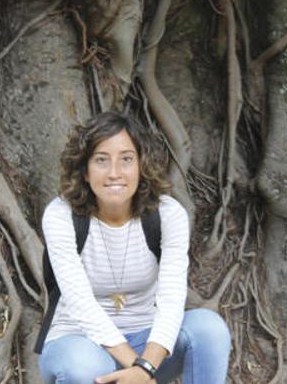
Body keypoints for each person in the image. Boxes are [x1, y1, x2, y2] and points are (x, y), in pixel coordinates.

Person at [37, 112, 231, 384]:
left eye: (126, 159)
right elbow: (79, 302)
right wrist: (138, 368)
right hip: (77, 342)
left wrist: (147, 365)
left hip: (146, 342)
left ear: (141, 165)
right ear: (84, 169)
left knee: (209, 329)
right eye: (101, 160)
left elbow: (172, 298)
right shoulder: (61, 215)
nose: (114, 172)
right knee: (83, 368)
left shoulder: (168, 214)